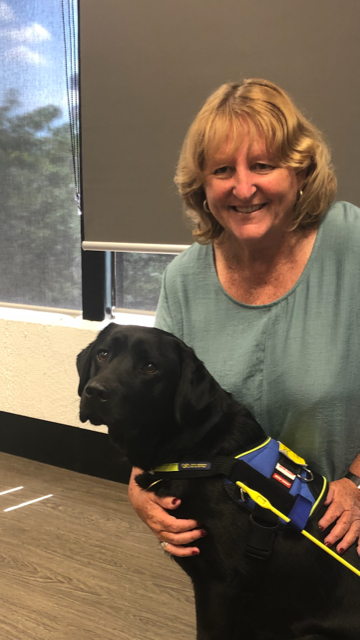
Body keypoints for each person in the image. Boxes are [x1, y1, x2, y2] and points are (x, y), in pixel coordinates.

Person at [129, 78, 360, 559]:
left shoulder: (351, 245)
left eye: (262, 165)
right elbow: (154, 401)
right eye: (221, 170)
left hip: (343, 533)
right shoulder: (185, 278)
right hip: (238, 540)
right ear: (202, 184)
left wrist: (358, 483)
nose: (243, 187)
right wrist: (138, 486)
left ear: (299, 171)